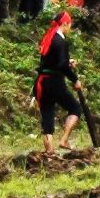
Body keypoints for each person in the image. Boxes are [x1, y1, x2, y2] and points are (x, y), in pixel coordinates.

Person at [34, 11, 82, 153]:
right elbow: (61, 65)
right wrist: (75, 79)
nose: (70, 29)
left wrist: (67, 61)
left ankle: (49, 152)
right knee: (75, 108)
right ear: (65, 24)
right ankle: (64, 139)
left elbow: (51, 61)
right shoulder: (61, 42)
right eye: (70, 25)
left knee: (47, 113)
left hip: (42, 82)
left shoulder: (48, 38)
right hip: (55, 81)